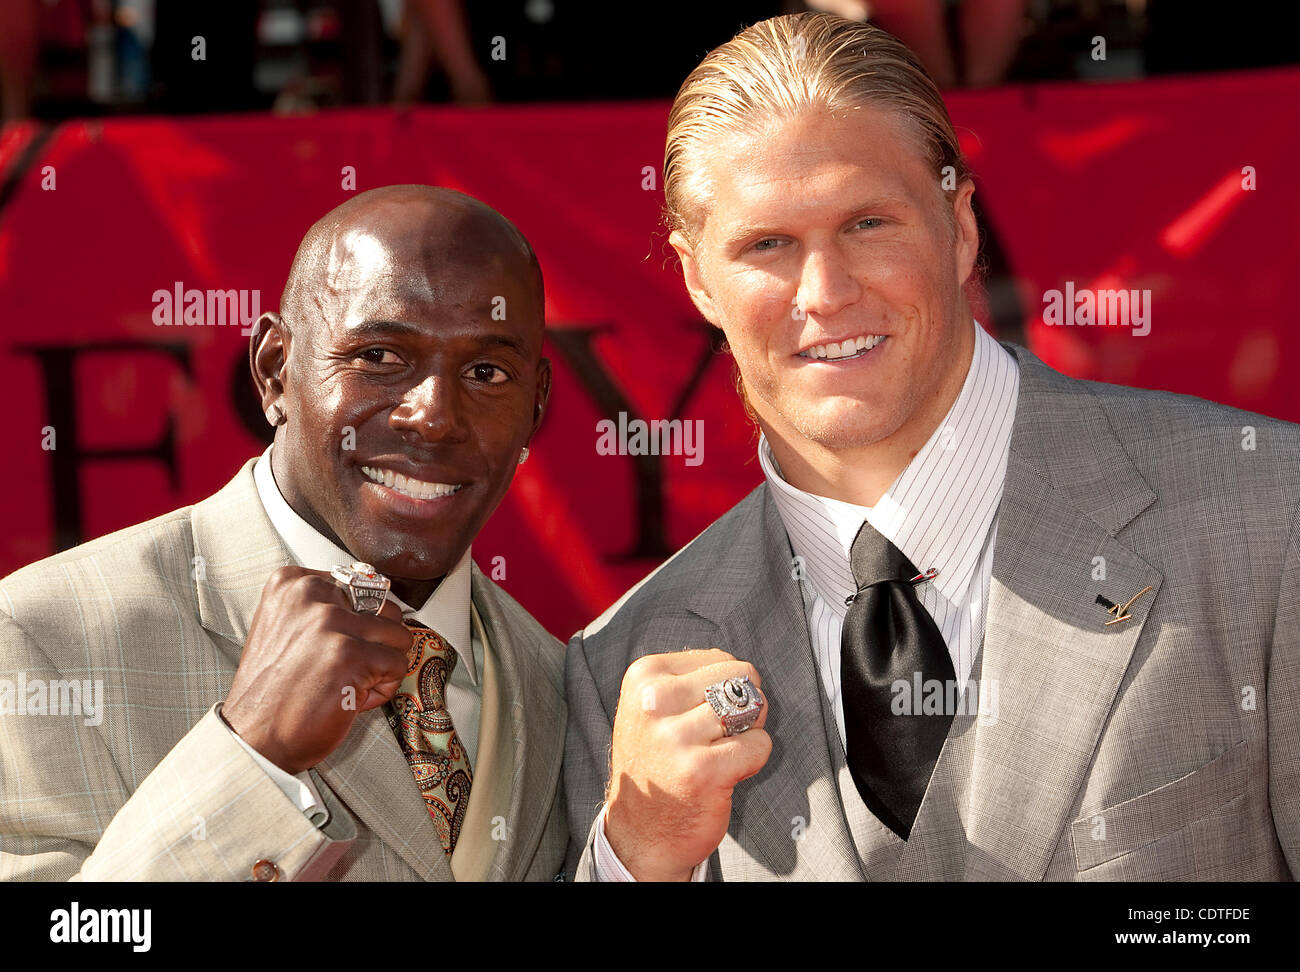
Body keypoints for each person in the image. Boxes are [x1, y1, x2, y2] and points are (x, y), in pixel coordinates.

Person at [563, 12, 1300, 881]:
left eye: (868, 223)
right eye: (768, 244)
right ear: (696, 278)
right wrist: (635, 862)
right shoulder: (624, 661)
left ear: (959, 226)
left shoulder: (1266, 516)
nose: (826, 292)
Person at [0, 185, 568, 881]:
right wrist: (252, 756)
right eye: (379, 357)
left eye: (486, 372)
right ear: (274, 370)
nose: (434, 416)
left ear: (535, 405)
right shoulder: (43, 639)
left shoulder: (562, 682)